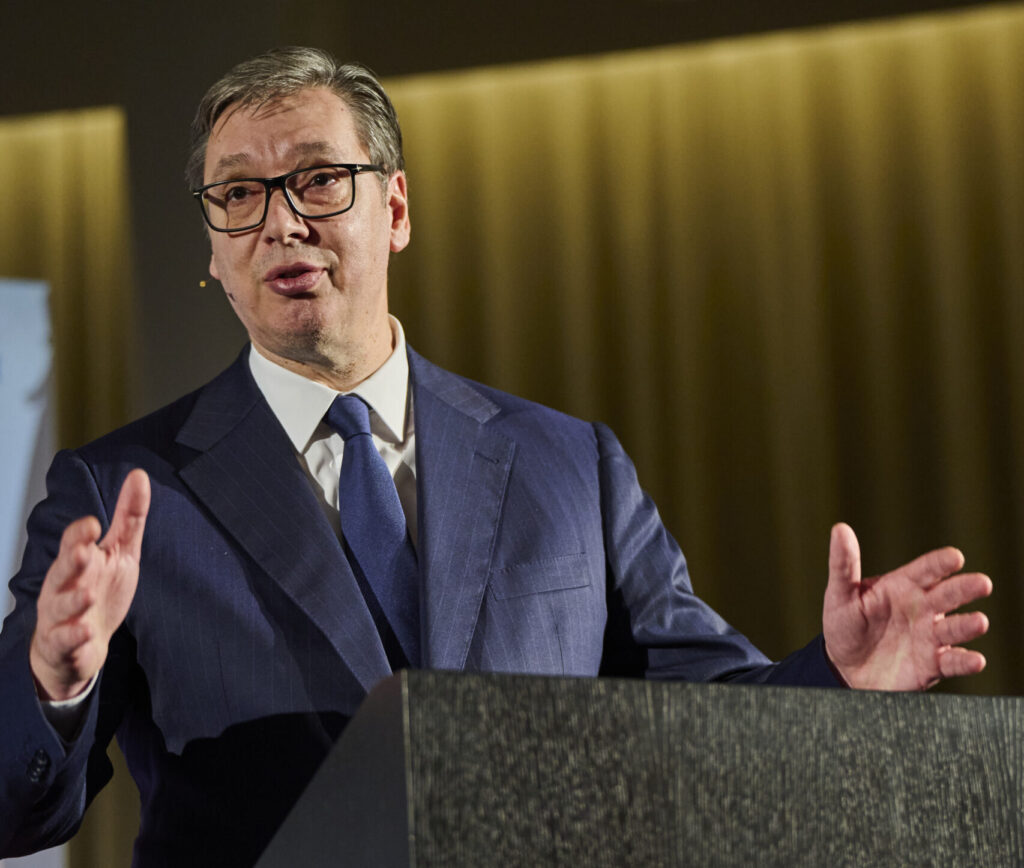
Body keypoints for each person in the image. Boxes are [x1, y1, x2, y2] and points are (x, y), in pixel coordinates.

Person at [0, 47, 992, 867]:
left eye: (317, 179)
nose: (280, 222)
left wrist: (835, 677)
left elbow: (702, 713)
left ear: (394, 209)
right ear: (213, 250)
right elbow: (15, 808)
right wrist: (53, 679)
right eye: (237, 195)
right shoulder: (120, 491)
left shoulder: (568, 463)